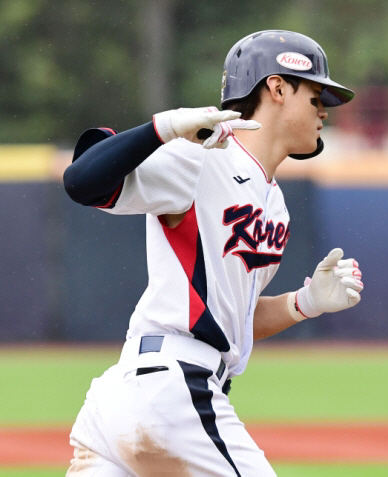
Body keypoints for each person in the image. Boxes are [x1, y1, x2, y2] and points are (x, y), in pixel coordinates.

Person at [63, 30, 364, 476]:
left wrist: (305, 303)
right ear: (278, 87)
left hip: (137, 394)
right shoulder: (203, 155)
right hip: (172, 388)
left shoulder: (275, 204)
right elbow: (81, 182)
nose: (324, 110)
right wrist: (163, 129)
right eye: (316, 94)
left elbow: (233, 319)